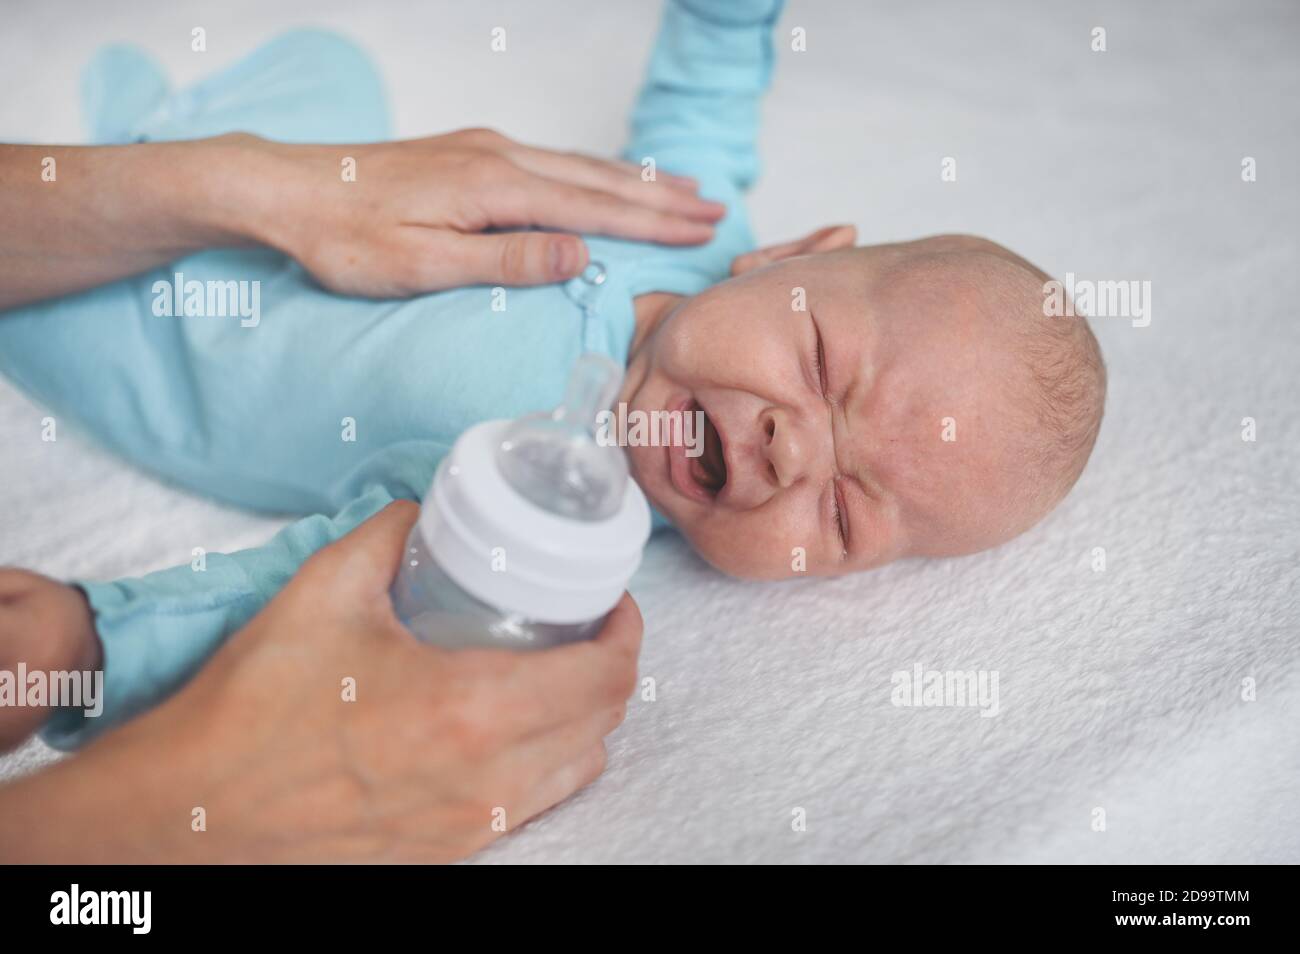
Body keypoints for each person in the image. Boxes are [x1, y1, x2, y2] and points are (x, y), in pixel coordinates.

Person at [1, 0, 1105, 749]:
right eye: (820, 363)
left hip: (158, 346)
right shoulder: (692, 225)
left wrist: (88, 643)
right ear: (791, 258)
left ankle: (135, 173)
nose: (793, 448)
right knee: (328, 65)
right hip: (292, 201)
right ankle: (160, 147)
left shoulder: (541, 505)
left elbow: (297, 589)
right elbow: (705, 94)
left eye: (844, 515)